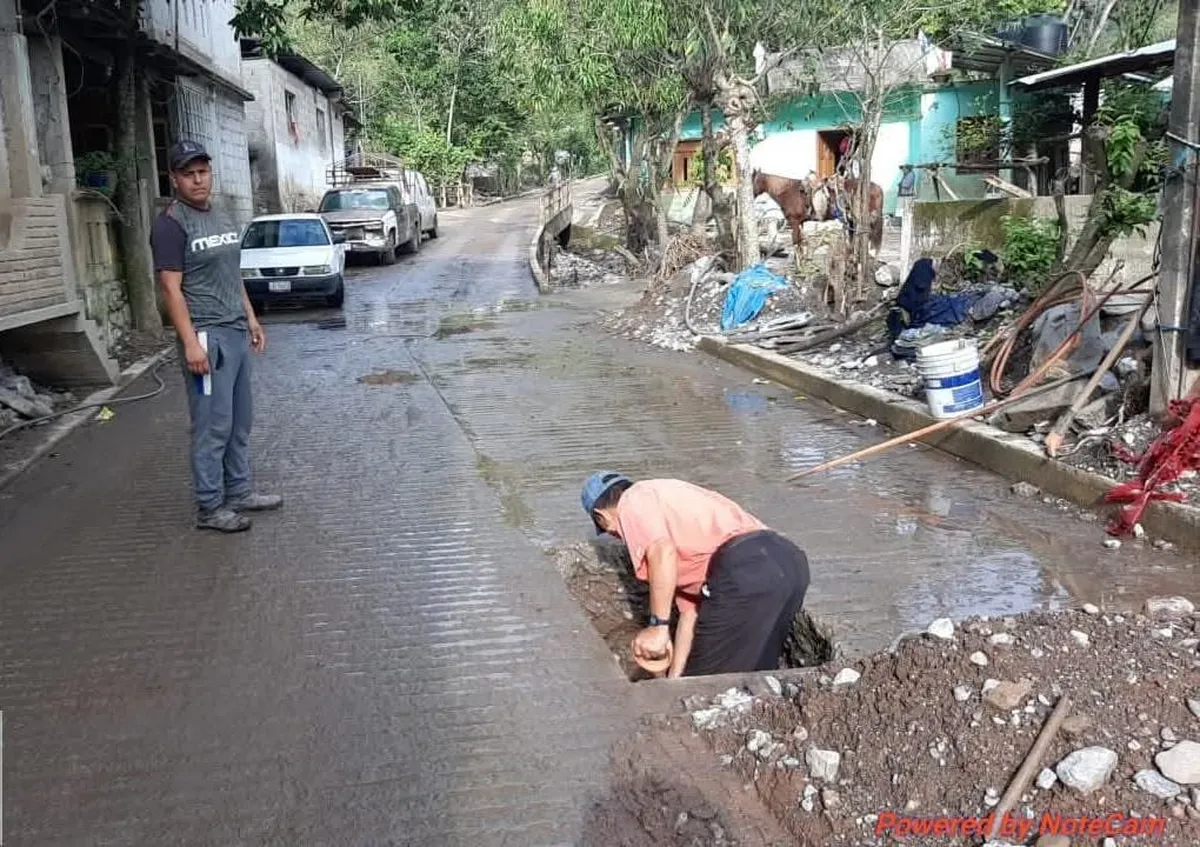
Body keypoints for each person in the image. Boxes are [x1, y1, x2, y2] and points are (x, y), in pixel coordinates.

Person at [151, 139, 282, 532]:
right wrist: (191, 343)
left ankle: (239, 491)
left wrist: (252, 318)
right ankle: (210, 507)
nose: (198, 180)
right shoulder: (171, 224)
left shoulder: (221, 214)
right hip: (207, 337)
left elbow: (231, 273)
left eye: (203, 172)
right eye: (188, 174)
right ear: (174, 179)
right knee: (212, 426)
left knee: (240, 421)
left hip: (236, 331)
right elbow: (171, 289)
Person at [580, 472, 810, 678]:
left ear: (601, 517)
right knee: (757, 673)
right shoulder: (672, 509)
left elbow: (662, 551)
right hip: (789, 563)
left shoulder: (633, 499)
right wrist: (676, 681)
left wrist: (658, 626)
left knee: (711, 685)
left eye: (609, 531)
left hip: (747, 566)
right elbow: (690, 614)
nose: (618, 536)